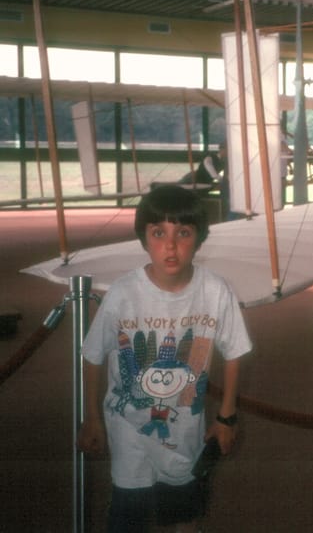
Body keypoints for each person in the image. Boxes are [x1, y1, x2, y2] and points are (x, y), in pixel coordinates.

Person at [77, 184, 252, 533]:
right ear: (144, 238)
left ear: (199, 238)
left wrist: (226, 416)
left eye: (183, 233)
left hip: (184, 429)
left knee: (184, 510)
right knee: (129, 511)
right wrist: (92, 418)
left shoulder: (215, 290)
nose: (170, 246)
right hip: (127, 426)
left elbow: (235, 351)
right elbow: (93, 355)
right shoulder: (123, 293)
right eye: (159, 233)